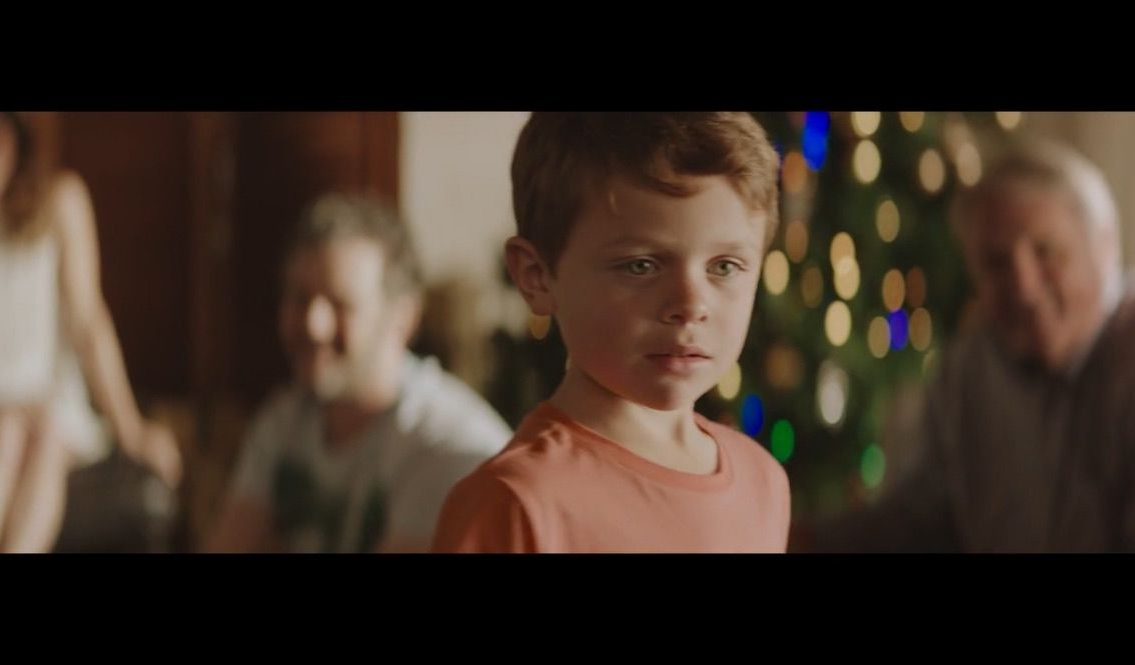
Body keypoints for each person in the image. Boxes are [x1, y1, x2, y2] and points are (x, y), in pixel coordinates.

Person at [432, 113, 790, 553]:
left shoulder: (763, 480)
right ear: (537, 277)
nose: (691, 306)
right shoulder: (516, 503)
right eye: (641, 266)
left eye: (724, 267)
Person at [803, 139, 1135, 552]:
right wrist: (804, 539)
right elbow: (919, 518)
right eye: (996, 263)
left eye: (1046, 251)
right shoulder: (969, 369)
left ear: (1104, 247)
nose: (1024, 288)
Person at [206, 194, 511, 553]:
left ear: (404, 318)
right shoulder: (284, 420)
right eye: (300, 298)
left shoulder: (451, 444)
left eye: (341, 304)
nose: (313, 325)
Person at [0, 111, 181, 553]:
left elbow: (87, 321)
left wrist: (131, 429)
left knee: (45, 435)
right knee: (6, 432)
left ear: (17, 134)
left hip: (50, 410)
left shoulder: (61, 200)